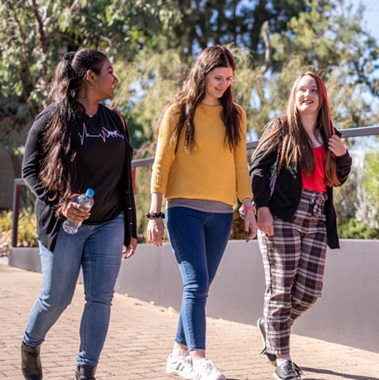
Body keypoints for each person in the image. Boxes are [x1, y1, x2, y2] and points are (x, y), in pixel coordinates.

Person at [20, 49, 138, 380]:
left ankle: (86, 370)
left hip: (109, 222)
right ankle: (30, 344)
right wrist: (60, 202)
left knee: (100, 298)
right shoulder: (52, 117)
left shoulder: (116, 120)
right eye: (109, 71)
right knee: (56, 298)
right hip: (65, 224)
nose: (115, 78)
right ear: (90, 77)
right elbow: (29, 170)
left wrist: (131, 225)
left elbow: (123, 176)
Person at [146, 45, 257, 380]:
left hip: (222, 212)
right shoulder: (178, 112)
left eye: (227, 79)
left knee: (201, 286)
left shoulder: (235, 115)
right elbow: (162, 164)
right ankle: (199, 361)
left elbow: (240, 165)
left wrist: (247, 207)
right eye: (217, 77)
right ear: (202, 73)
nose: (222, 84)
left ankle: (178, 354)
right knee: (195, 284)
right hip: (184, 210)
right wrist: (154, 214)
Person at [250, 71, 352, 380]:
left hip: (317, 216)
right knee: (281, 291)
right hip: (281, 216)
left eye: (313, 90)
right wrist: (262, 209)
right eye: (301, 90)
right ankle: (283, 361)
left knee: (309, 292)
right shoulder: (281, 128)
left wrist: (343, 155)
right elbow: (257, 168)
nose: (306, 94)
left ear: (322, 98)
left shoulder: (331, 134)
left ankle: (272, 324)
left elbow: (338, 177)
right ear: (294, 96)